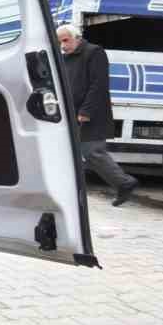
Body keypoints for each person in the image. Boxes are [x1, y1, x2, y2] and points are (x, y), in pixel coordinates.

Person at [57, 24, 137, 206]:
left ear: (76, 37)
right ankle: (69, 192)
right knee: (69, 152)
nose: (62, 45)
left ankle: (125, 183)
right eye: (60, 41)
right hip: (72, 113)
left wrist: (86, 111)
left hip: (91, 114)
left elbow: (98, 84)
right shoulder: (65, 58)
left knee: (93, 152)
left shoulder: (94, 52)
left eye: (65, 40)